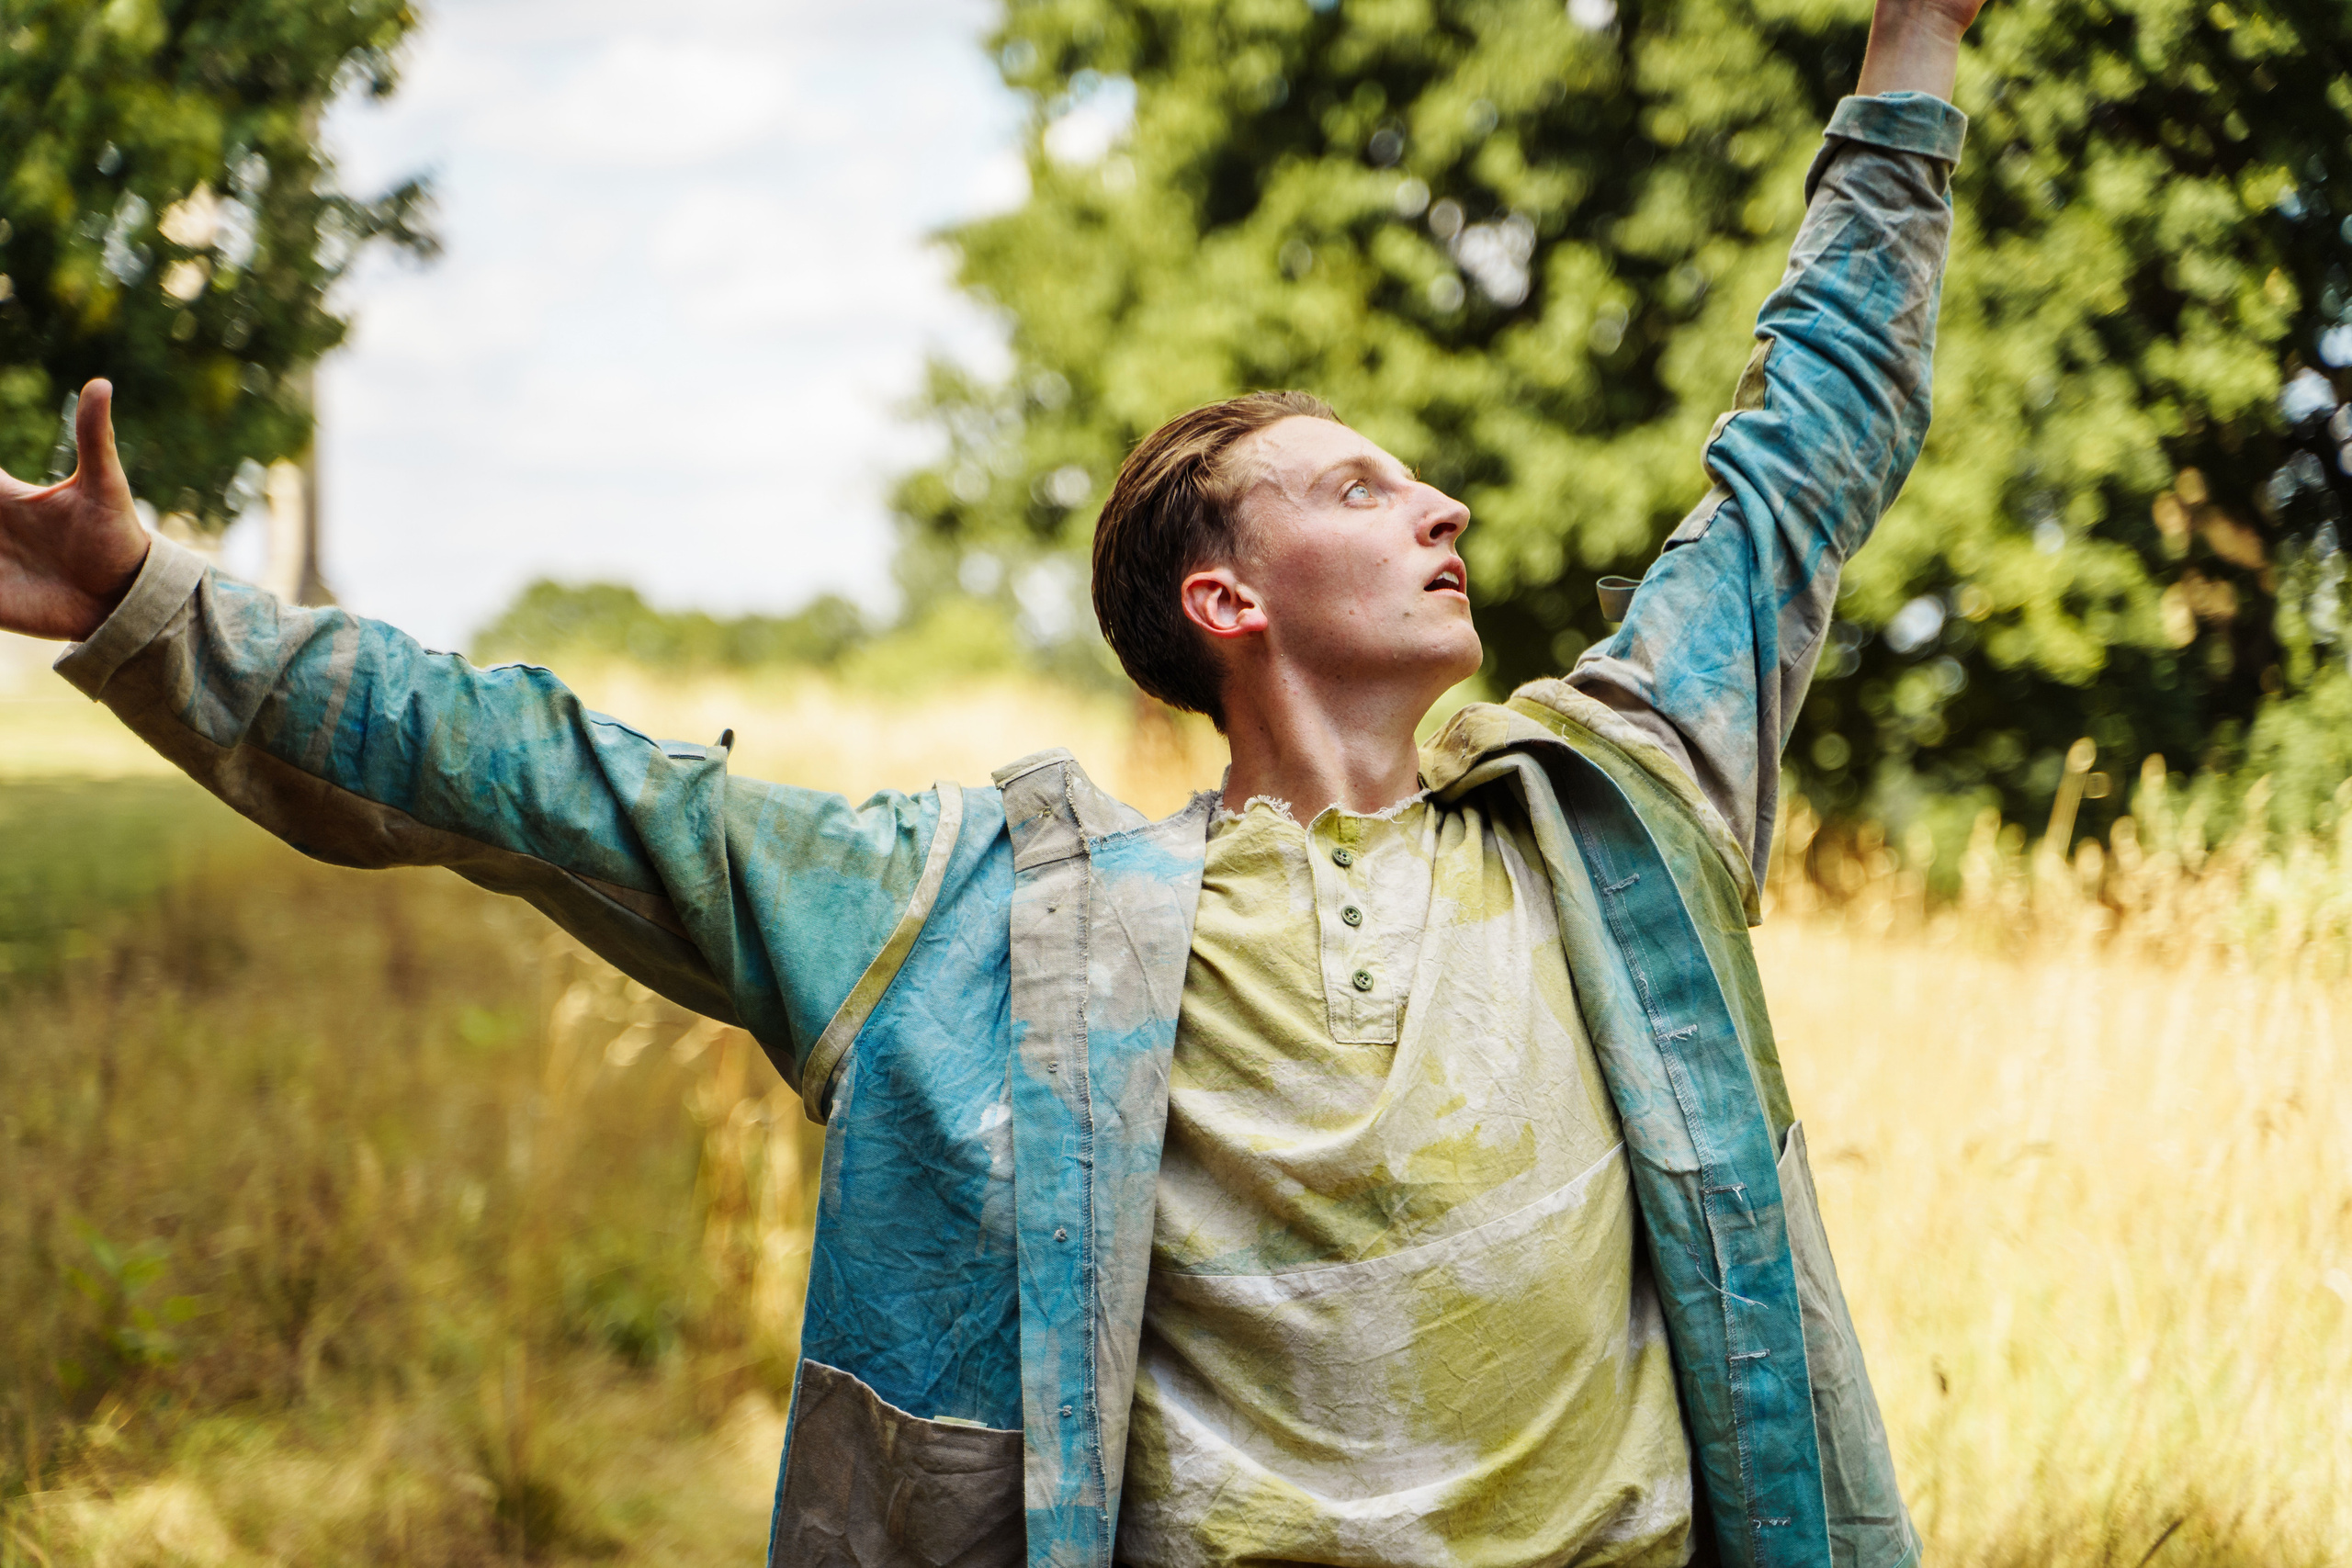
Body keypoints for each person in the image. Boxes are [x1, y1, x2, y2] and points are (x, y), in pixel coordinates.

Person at [0, 0, 1980, 1561]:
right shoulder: (993, 925)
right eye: (1355, 485)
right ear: (1225, 596)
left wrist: (1912, 48)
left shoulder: (1612, 817)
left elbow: (1797, 456)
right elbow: (549, 779)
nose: (1439, 500)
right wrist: (147, 603)